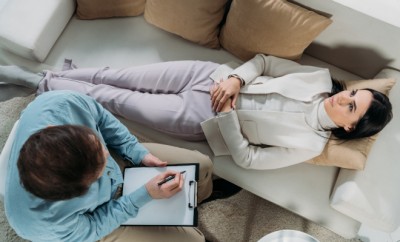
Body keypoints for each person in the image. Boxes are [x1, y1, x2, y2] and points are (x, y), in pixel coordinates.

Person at [1, 54, 393, 169]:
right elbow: (265, 62)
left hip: (199, 119)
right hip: (210, 75)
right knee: (118, 74)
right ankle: (49, 77)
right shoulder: (319, 79)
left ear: (349, 126)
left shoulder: (308, 145)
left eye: (351, 106)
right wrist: (237, 80)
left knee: (114, 99)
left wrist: (227, 117)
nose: (343, 98)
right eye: (352, 93)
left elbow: (250, 160)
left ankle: (34, 81)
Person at [4, 90, 214, 242]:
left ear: (55, 128)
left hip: (112, 164)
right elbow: (95, 226)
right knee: (193, 240)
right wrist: (145, 195)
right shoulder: (43, 224)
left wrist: (135, 150)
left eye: (94, 142)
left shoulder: (62, 103)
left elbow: (102, 118)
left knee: (202, 166)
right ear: (78, 192)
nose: (106, 152)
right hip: (98, 216)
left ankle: (198, 199)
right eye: (100, 168)